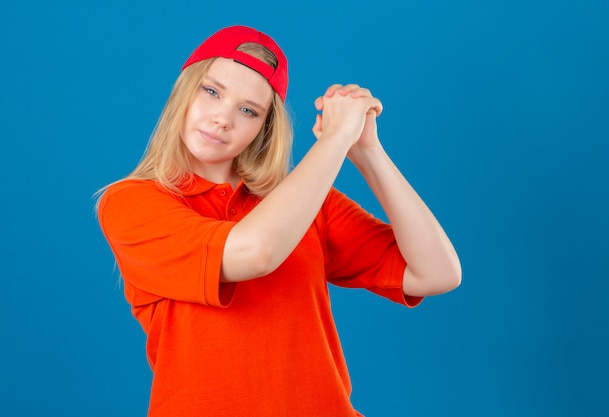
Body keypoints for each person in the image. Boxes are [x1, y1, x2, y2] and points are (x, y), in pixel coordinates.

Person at [96, 25, 461, 417]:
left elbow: (438, 273)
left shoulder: (305, 201)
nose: (222, 118)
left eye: (248, 110)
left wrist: (366, 150)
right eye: (212, 91)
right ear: (184, 90)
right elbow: (255, 253)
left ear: (263, 129)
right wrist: (333, 141)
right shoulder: (130, 202)